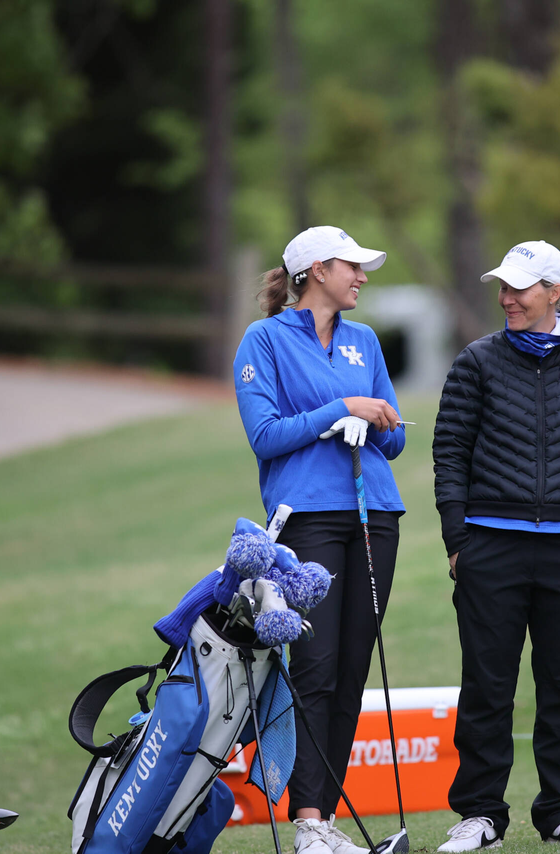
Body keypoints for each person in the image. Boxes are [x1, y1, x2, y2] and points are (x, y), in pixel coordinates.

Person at [432, 241, 560, 850]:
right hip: (491, 546)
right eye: (503, 287)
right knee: (488, 685)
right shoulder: (477, 361)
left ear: (553, 291)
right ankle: (481, 814)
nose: (507, 298)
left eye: (519, 288)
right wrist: (458, 538)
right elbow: (450, 452)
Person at [233, 226, 406, 854]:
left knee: (353, 669)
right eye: (352, 267)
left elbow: (396, 437)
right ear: (315, 271)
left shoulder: (364, 341)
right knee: (316, 667)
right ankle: (308, 822)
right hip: (306, 516)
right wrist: (342, 411)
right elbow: (266, 436)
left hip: (374, 514)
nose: (362, 277)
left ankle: (325, 822)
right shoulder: (265, 340)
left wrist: (376, 420)